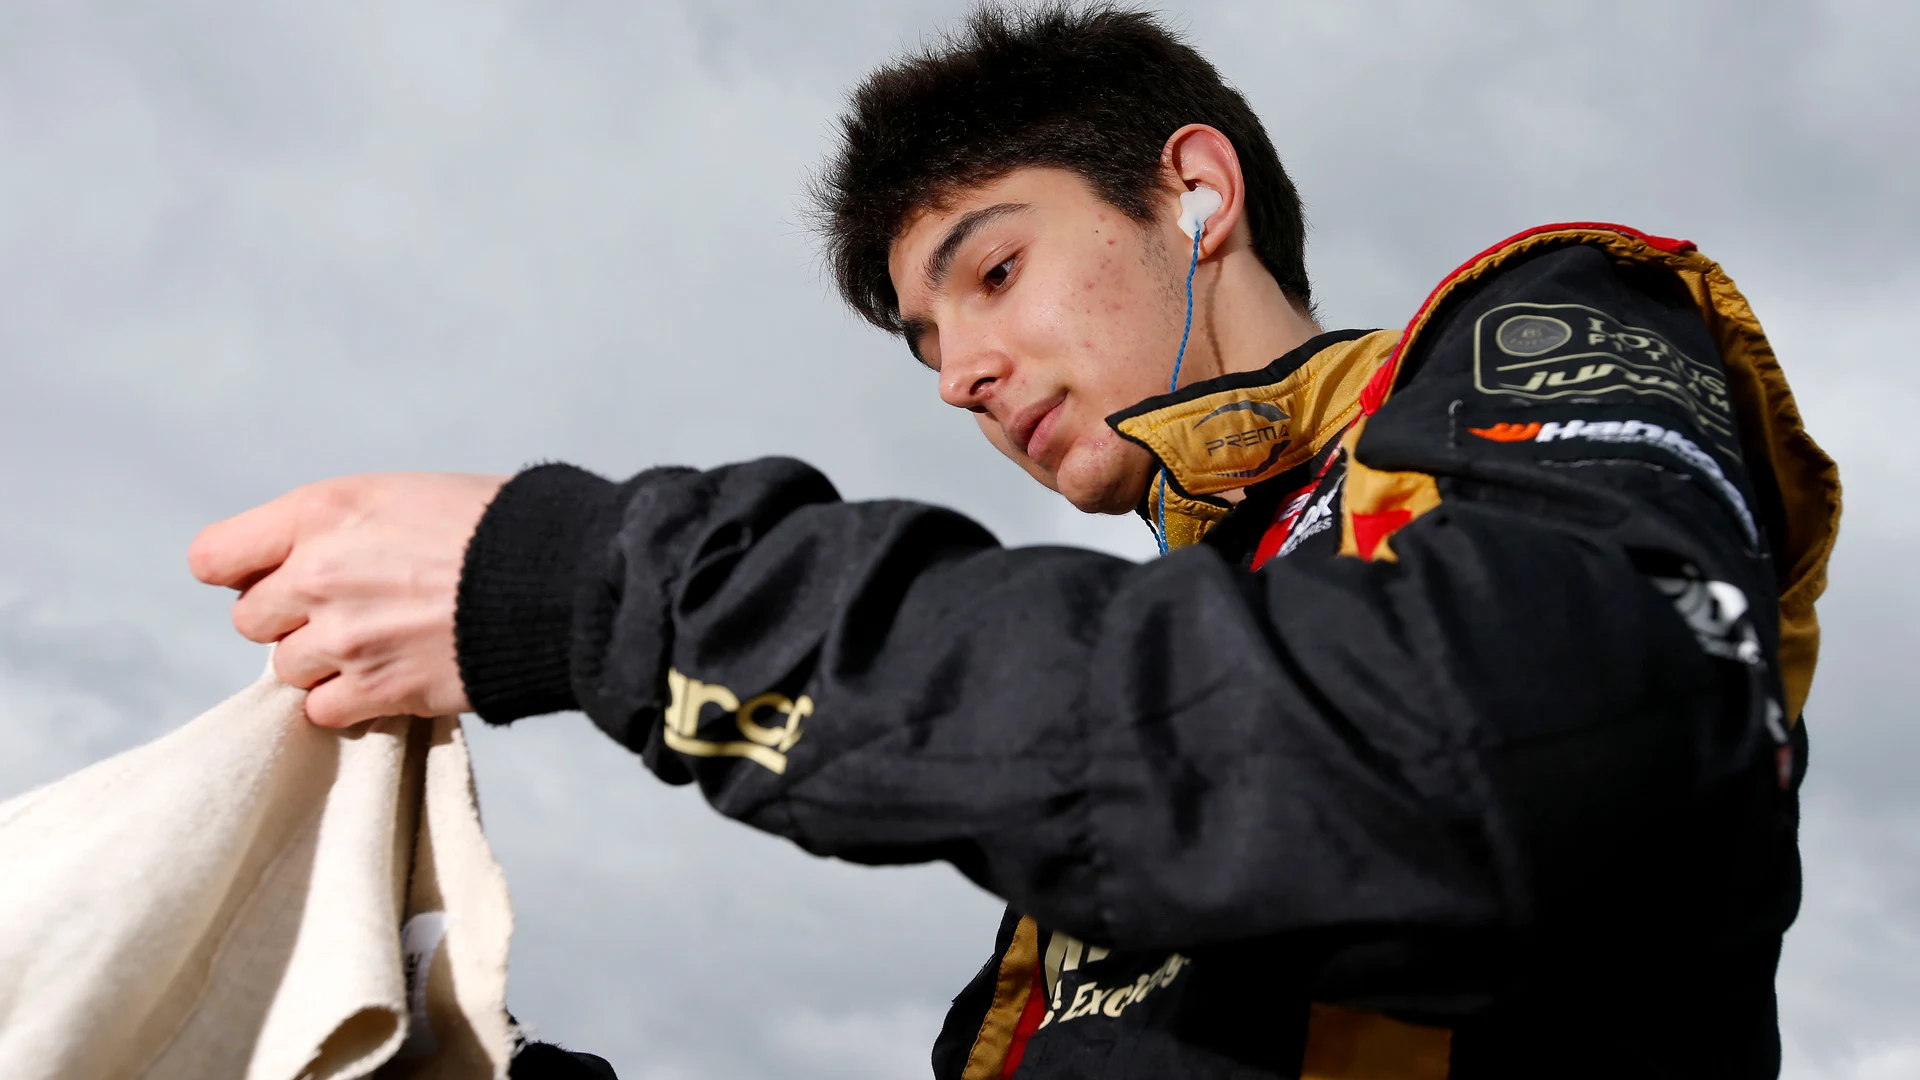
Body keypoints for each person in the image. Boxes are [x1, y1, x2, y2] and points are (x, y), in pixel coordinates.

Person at [187, 5, 1842, 1077]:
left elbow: (1535, 762)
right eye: (921, 343)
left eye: (991, 274)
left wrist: (600, 586)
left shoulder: (1540, 334)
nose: (962, 373)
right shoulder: (1152, 703)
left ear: (1196, 194)